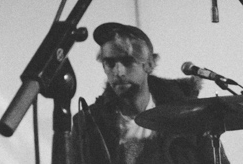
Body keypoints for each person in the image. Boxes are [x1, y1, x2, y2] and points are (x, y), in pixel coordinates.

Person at [72, 22, 231, 164]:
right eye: (109, 63)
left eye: (127, 62)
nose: (118, 71)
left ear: (149, 64)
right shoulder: (89, 123)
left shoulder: (189, 114)